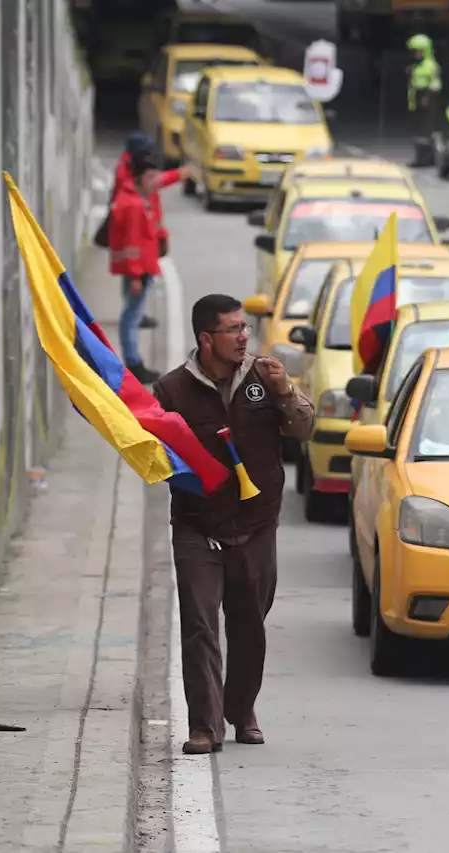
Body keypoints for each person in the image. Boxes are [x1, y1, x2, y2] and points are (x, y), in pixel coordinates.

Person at [153, 294, 316, 756]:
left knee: (249, 627)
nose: (245, 336)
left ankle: (241, 709)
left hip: (256, 527)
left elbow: (304, 430)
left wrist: (285, 390)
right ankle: (205, 727)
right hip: (196, 526)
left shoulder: (265, 377)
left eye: (245, 327)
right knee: (200, 626)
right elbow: (143, 438)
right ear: (206, 339)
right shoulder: (172, 390)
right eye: (233, 330)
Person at [107, 133, 188, 329]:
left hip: (144, 236)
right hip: (140, 237)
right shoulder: (132, 183)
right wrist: (178, 174)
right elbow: (132, 239)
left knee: (136, 288)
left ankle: (137, 312)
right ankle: (133, 346)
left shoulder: (132, 170)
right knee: (135, 287)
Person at [108, 151, 165, 382]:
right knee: (131, 317)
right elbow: (132, 242)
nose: (155, 182)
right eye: (151, 177)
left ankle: (133, 361)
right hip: (139, 270)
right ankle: (133, 362)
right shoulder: (133, 203)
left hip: (143, 268)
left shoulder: (139, 198)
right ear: (141, 178)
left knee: (132, 315)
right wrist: (135, 275)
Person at [406, 34, 442, 167]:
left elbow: (434, 85)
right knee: (421, 132)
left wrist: (427, 98)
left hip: (427, 99)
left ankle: (423, 160)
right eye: (414, 51)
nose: (416, 54)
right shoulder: (417, 66)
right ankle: (429, 158)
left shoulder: (431, 65)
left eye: (419, 51)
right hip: (417, 99)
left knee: (424, 133)